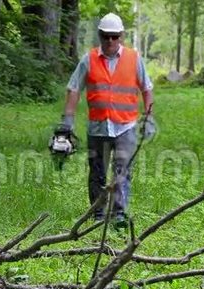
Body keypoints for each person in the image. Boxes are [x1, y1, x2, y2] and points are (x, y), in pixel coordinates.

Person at [57, 12, 155, 229]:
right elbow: (73, 89)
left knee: (122, 170)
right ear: (99, 35)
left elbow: (147, 88)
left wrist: (148, 118)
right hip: (98, 127)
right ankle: (98, 214)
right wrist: (68, 122)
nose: (110, 41)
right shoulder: (89, 59)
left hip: (126, 126)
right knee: (98, 172)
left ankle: (119, 214)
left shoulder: (133, 58)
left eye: (114, 36)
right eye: (105, 36)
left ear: (121, 36)